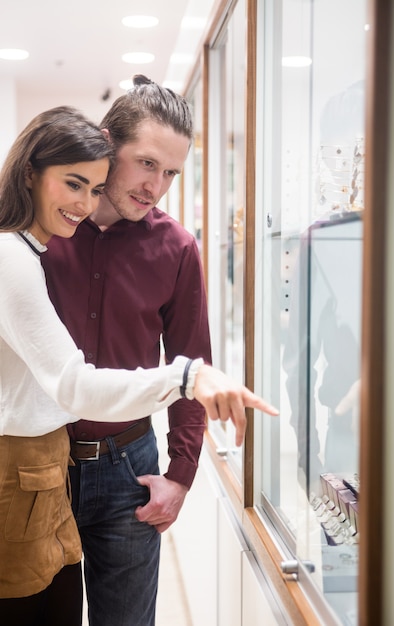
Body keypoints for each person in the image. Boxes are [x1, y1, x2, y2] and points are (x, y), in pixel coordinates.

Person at [0, 105, 278, 626]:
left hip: (129, 469)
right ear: (109, 145)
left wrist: (180, 476)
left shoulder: (176, 247)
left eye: (170, 172)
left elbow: (192, 358)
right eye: (146, 163)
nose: (156, 186)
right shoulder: (41, 236)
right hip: (43, 467)